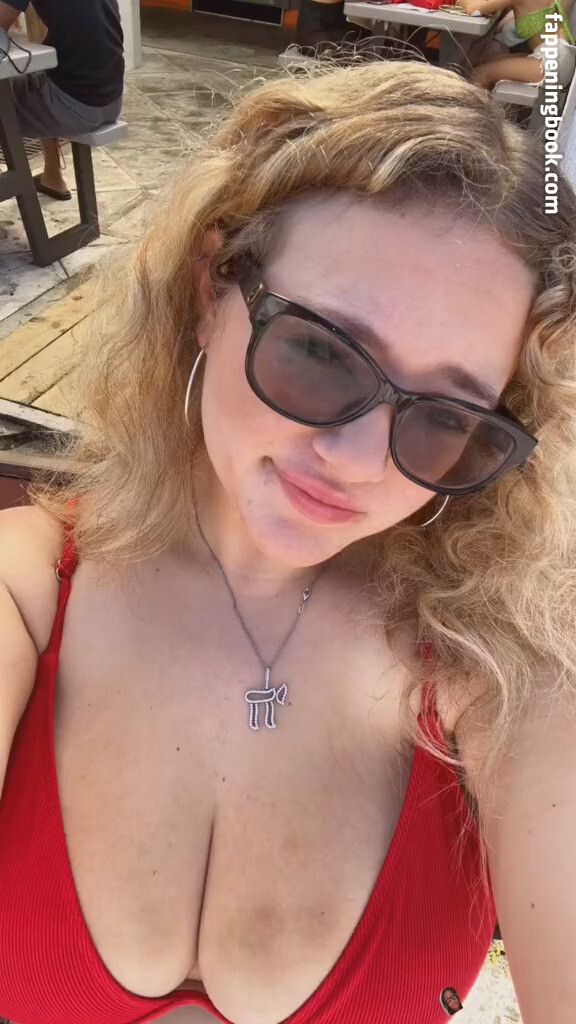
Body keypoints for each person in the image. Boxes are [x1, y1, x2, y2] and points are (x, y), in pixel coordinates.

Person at [0, 59, 575, 1024]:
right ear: (208, 291)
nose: (355, 460)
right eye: (319, 350)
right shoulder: (23, 592)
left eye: (444, 415)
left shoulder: (505, 670)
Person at [0, 0, 124, 199]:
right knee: (40, 76)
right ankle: (53, 175)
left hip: (77, 105)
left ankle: (26, 183)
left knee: (9, 98)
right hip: (111, 100)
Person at [460, 0, 576, 90]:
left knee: (481, 73)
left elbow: (472, 10)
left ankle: (472, 112)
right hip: (560, 57)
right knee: (487, 60)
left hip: (551, 63)